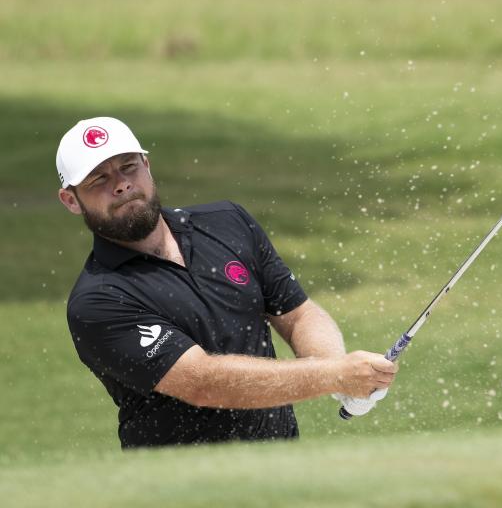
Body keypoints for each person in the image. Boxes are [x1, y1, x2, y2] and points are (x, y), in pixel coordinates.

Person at [56, 116, 397, 449]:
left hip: (285, 466)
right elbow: (204, 383)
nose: (120, 184)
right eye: (97, 179)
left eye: (128, 166)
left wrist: (333, 366)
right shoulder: (98, 300)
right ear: (71, 200)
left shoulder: (227, 222)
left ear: (147, 164)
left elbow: (298, 315)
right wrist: (333, 375)